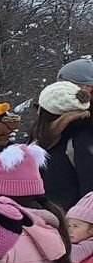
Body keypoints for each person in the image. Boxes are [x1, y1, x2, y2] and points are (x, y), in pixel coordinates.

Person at [27, 80, 93, 211]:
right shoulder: (44, 138)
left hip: (73, 224)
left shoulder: (81, 137)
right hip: (48, 220)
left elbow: (89, 191)